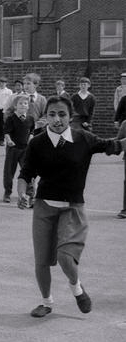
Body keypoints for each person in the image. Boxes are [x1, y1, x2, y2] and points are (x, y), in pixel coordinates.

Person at [16, 95, 126, 318]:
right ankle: (46, 302)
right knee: (42, 260)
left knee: (66, 257)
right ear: (45, 117)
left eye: (62, 114)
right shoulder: (37, 142)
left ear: (70, 116)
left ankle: (76, 287)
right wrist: (21, 193)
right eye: (52, 114)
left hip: (72, 208)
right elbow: (26, 174)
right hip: (44, 207)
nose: (57, 119)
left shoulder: (83, 138)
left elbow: (112, 145)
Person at [2, 94, 34, 203]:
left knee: (28, 171)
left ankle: (30, 193)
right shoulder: (11, 119)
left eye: (25, 103)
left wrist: (30, 138)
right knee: (9, 172)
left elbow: (32, 131)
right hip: (13, 149)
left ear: (28, 106)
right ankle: (7, 192)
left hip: (25, 149)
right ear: (15, 106)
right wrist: (9, 140)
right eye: (20, 103)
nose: (23, 105)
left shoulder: (30, 119)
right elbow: (6, 132)